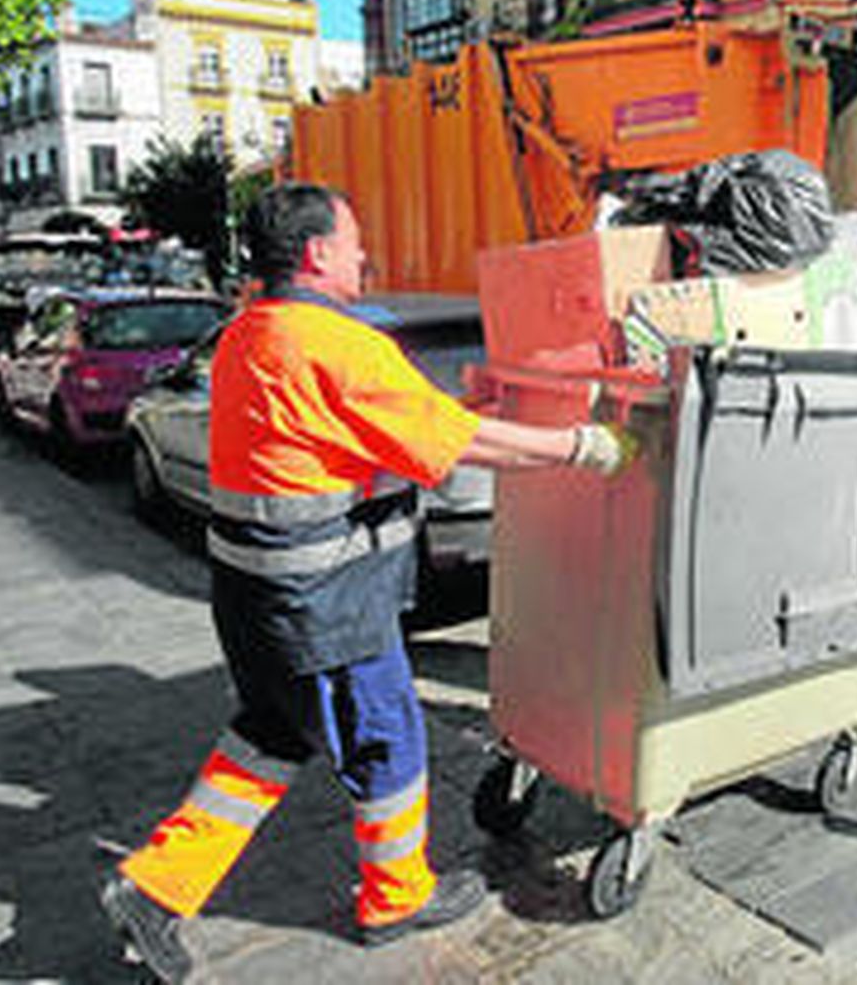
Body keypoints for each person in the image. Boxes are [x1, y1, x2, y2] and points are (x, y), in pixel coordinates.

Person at [98, 183, 636, 983]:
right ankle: (397, 897)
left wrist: (461, 402)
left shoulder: (250, 333)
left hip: (254, 597)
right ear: (318, 252)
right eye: (353, 242)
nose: (363, 255)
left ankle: (154, 889)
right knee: (388, 739)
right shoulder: (339, 345)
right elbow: (458, 443)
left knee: (270, 738)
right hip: (327, 606)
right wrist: (584, 449)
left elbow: (354, 425)